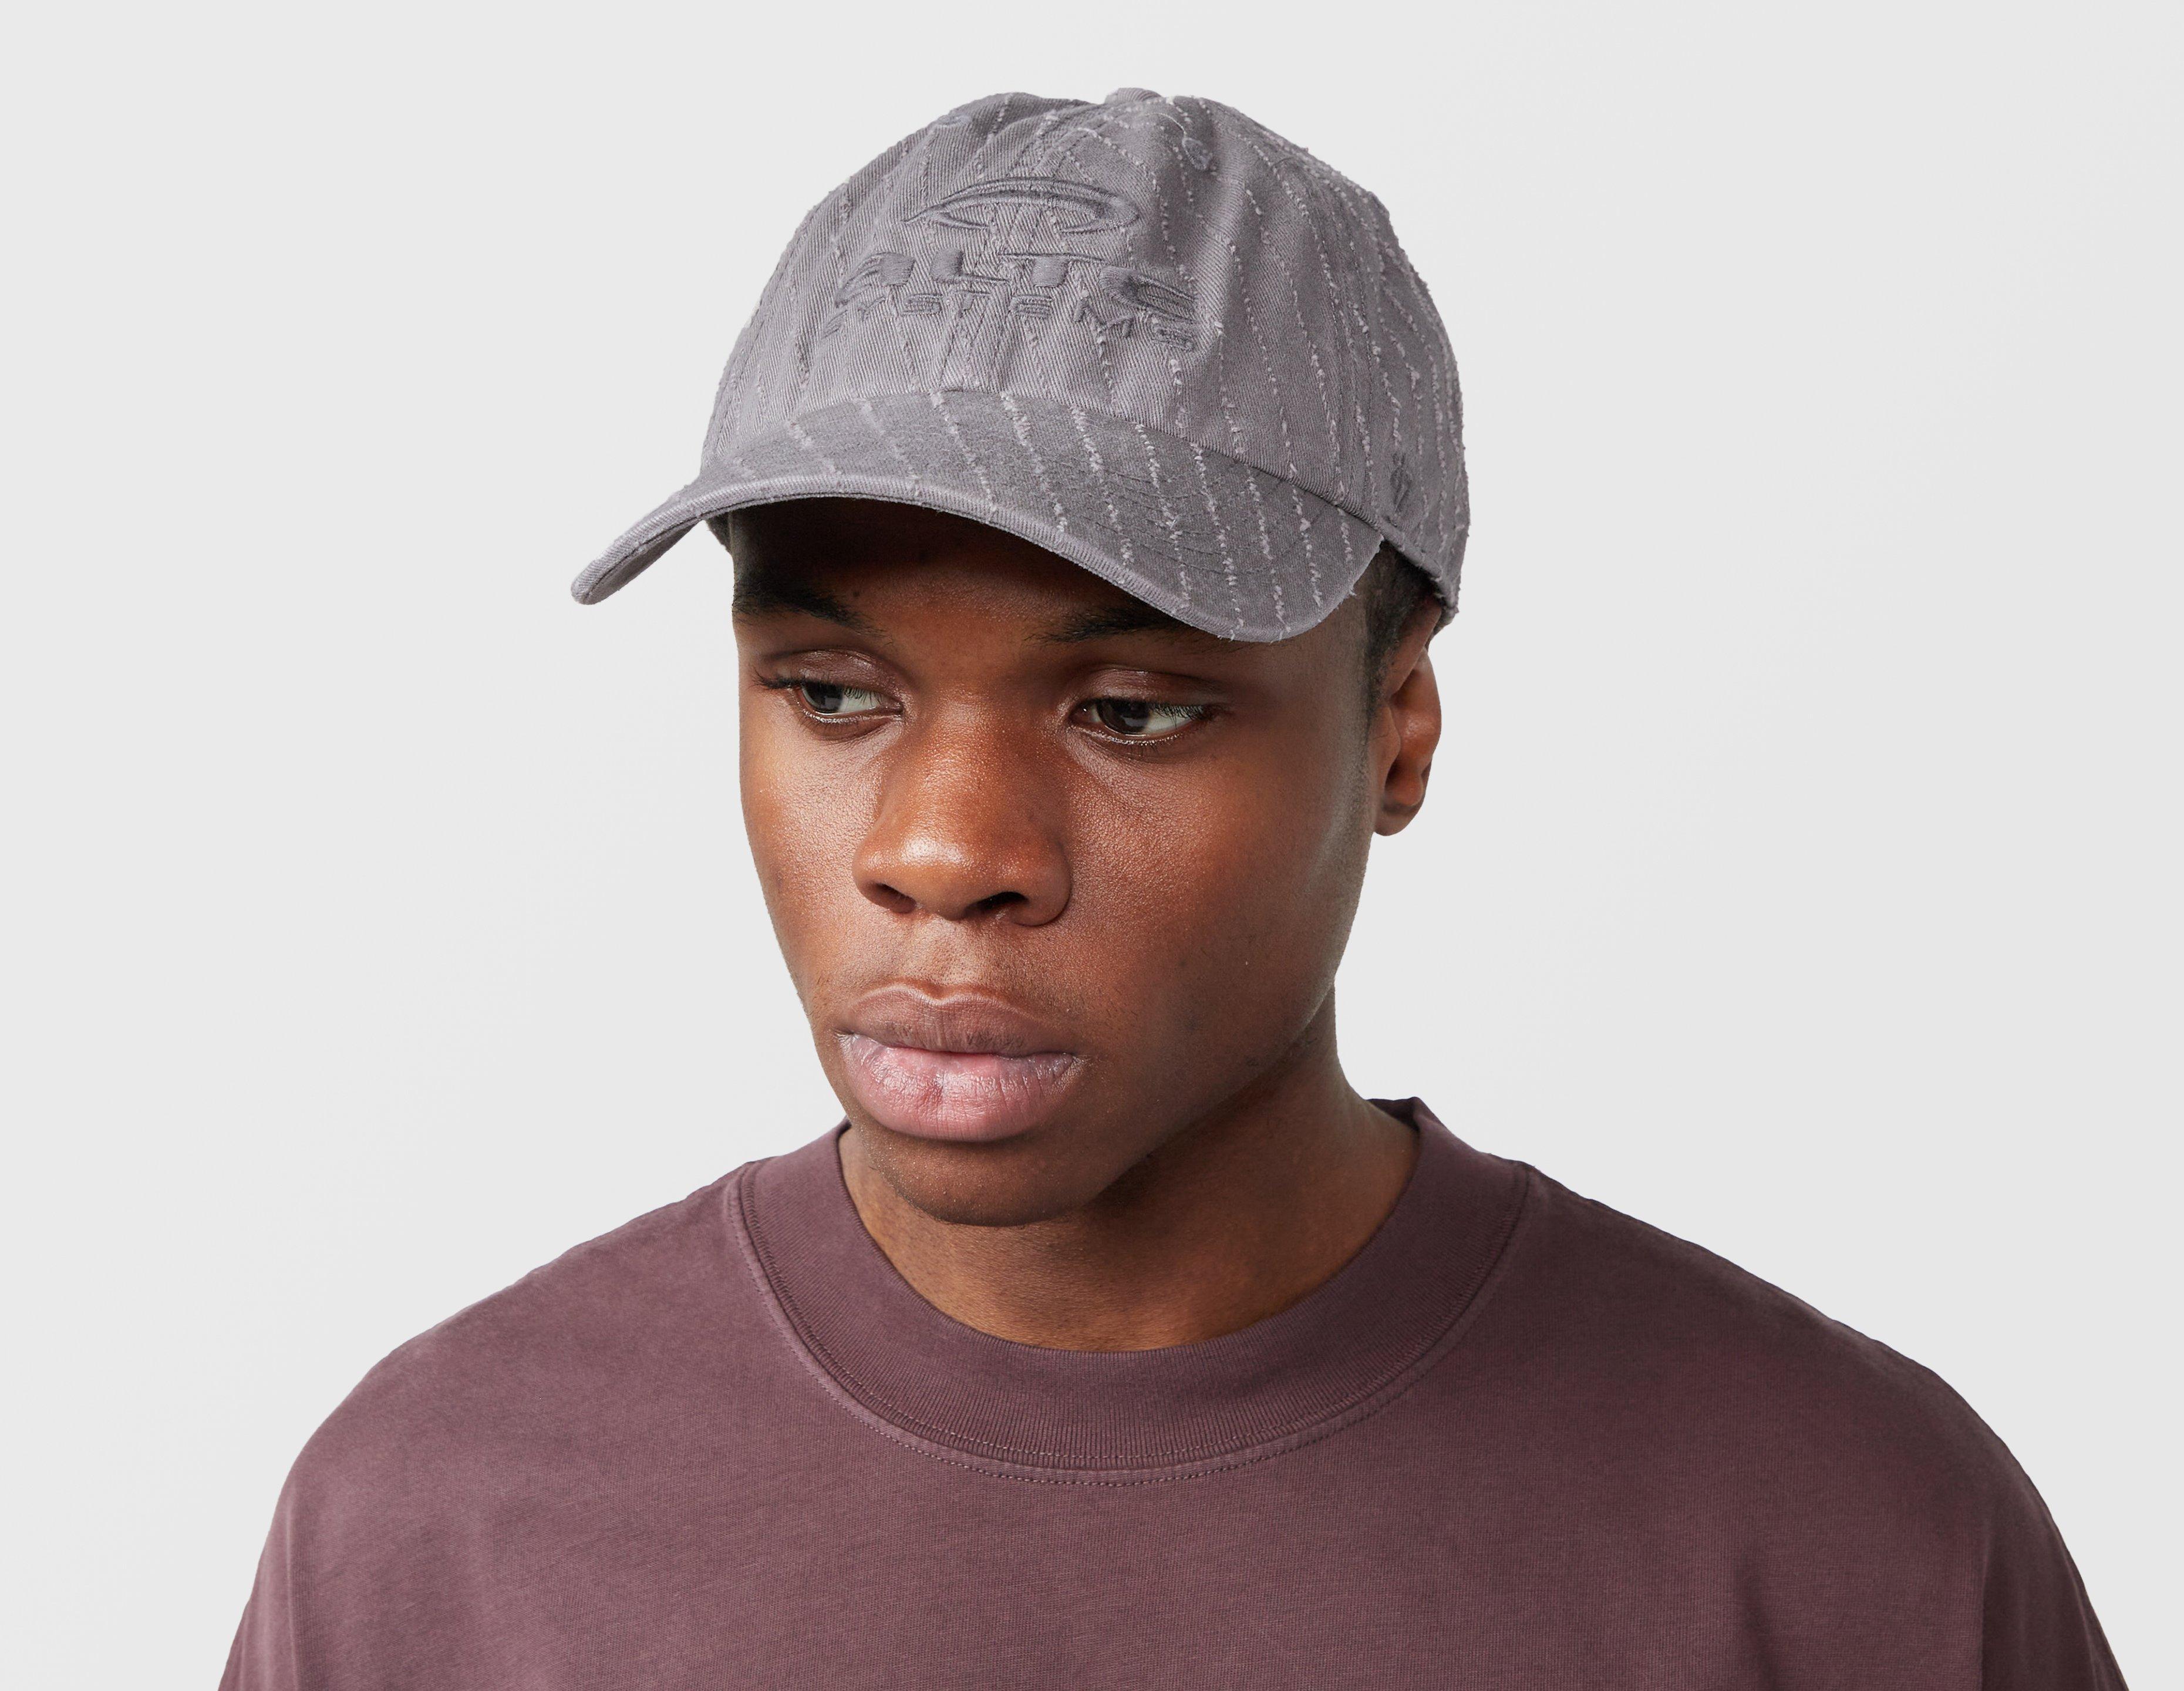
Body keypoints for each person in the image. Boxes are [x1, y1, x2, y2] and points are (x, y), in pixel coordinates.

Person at [221, 89, 2126, 1689]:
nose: (941, 853)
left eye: (1129, 710)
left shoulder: (1850, 1549)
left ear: (1398, 728)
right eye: (833, 694)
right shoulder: (437, 1534)